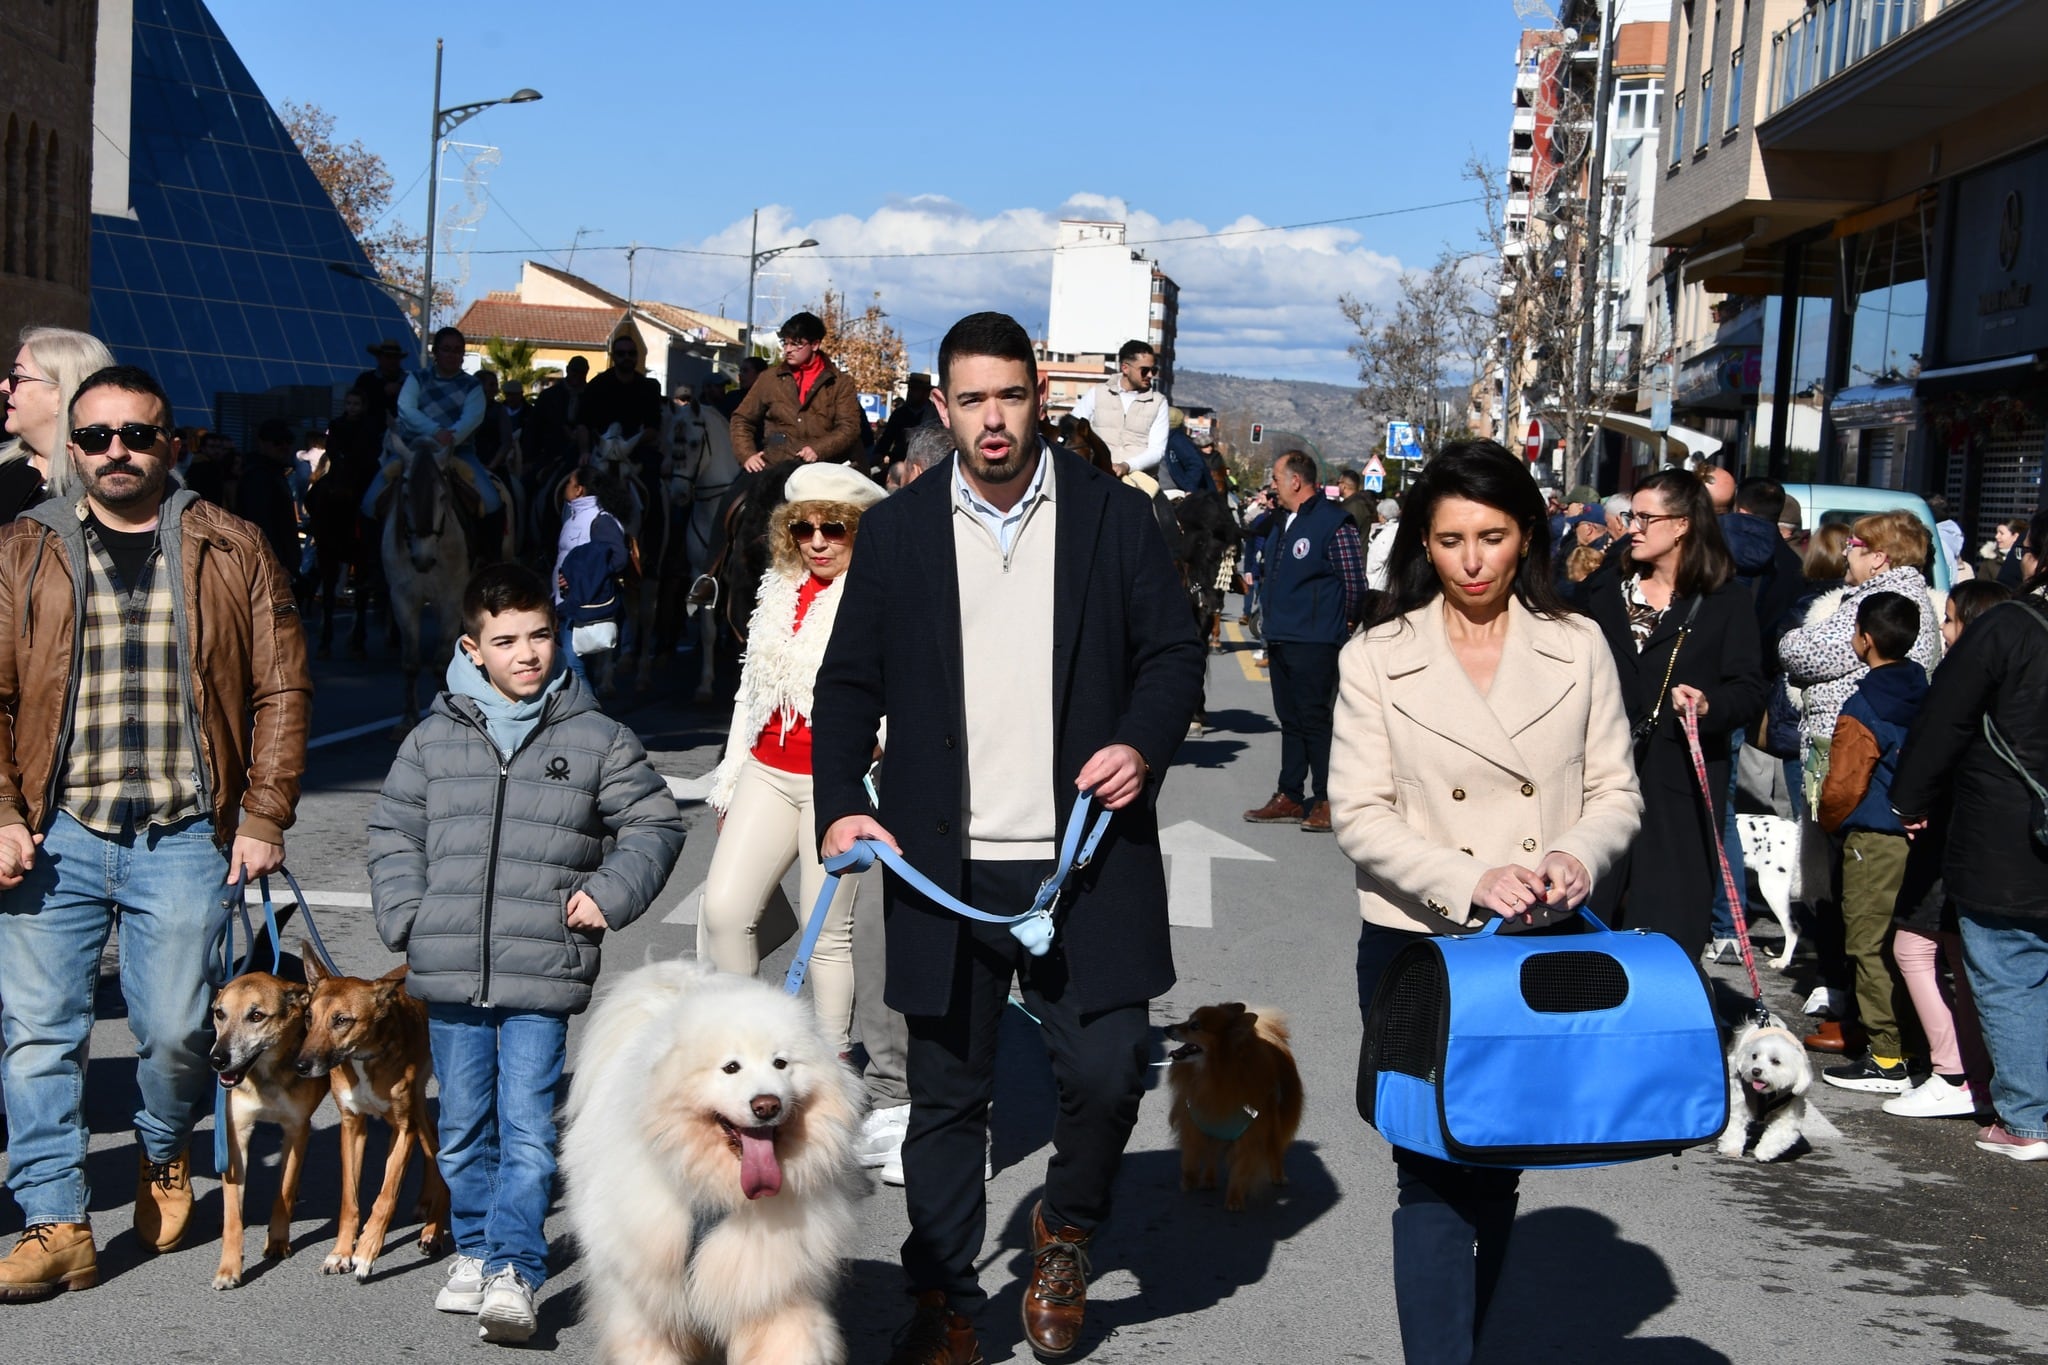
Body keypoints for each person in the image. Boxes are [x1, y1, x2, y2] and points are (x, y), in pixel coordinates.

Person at [810, 311, 1202, 1365]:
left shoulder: (1110, 518)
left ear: (1039, 398)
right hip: (941, 867)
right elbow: (846, 686)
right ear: (942, 407)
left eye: (1010, 396)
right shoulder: (893, 533)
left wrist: (1139, 743)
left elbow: (1172, 653)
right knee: (946, 1099)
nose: (992, 419)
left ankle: (1063, 1232)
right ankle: (943, 1296)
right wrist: (841, 798)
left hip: (1085, 856)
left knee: (1114, 1066)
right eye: (971, 399)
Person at [1328, 439, 1643, 1365]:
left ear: (1526, 537)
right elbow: (1358, 811)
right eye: (1452, 538)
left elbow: (1615, 791)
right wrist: (1468, 877)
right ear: (1424, 542)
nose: (1472, 561)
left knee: (1497, 1163)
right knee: (1429, 1166)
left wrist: (1577, 857)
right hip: (1419, 943)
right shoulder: (1377, 656)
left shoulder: (1578, 645)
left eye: (1493, 537)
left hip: (1535, 945)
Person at [0, 364, 311, 1299]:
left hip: (184, 834)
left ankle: (165, 1149)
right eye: (95, 437)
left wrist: (263, 813)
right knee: (35, 1034)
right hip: (55, 833)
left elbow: (281, 687)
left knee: (179, 1032)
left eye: (136, 435)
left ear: (170, 443)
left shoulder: (233, 544)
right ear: (72, 447)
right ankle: (56, 1220)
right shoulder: (22, 549)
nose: (116, 452)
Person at [367, 562, 685, 1341]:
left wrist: (610, 893)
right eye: (505, 640)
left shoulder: (595, 735)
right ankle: (475, 1246)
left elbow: (654, 823)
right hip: (448, 969)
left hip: (543, 968)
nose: (527, 653)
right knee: (466, 1122)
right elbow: (393, 832)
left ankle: (515, 1264)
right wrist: (409, 916)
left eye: (540, 635)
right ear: (473, 649)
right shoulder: (433, 737)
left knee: (528, 1123)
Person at [700, 462, 884, 1060]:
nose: (818, 542)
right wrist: (729, 782)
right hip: (765, 768)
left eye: (834, 527)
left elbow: (915, 689)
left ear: (858, 528)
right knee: (724, 912)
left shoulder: (882, 593)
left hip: (837, 781)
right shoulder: (777, 586)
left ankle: (828, 1066)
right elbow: (750, 693)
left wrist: (883, 741)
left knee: (826, 934)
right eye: (802, 529)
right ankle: (742, 1051)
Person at [1891, 508, 2048, 1160]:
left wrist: (1910, 797)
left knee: (2009, 966)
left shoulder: (2010, 626)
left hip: (2007, 827)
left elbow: (1946, 716)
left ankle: (2027, 1116)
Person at [1581, 468, 1767, 961]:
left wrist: (1709, 706)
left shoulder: (1725, 601)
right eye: (1630, 516)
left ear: (1682, 525)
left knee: (1664, 930)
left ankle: (1656, 1032)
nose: (1632, 527)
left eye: (1645, 517)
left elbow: (1750, 690)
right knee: (1587, 920)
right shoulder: (1604, 588)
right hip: (1594, 779)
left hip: (1676, 784)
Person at [1881, 577, 2010, 1122]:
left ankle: (1953, 1071)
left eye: (1952, 618)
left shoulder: (1967, 681)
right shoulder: (2014, 680)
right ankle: (1970, 1075)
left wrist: (1914, 803)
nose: (1943, 629)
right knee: (1958, 954)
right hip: (1974, 833)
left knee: (1918, 947)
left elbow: (1941, 749)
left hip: (1953, 831)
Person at [1814, 592, 1929, 1094]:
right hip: (1917, 835)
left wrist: (1829, 822)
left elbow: (1842, 785)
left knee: (1867, 944)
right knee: (1907, 947)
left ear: (1864, 638)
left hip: (1873, 835)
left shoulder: (1863, 704)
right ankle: (1910, 1044)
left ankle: (1885, 1057)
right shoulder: (1926, 690)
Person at [1242, 450, 1368, 833]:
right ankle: (1290, 795)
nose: (1273, 487)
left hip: (1315, 640)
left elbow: (1354, 583)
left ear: (1296, 480)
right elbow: (1251, 530)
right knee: (1291, 720)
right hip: (1281, 635)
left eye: (1277, 479)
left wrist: (1344, 622)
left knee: (1316, 721)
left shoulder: (1334, 522)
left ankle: (1328, 798)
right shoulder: (1282, 521)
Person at [361, 327, 503, 533]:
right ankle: (370, 560)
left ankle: (489, 559)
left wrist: (448, 439)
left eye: (457, 350)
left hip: (458, 452)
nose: (452, 354)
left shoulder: (472, 386)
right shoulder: (416, 378)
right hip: (412, 451)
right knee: (369, 502)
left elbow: (471, 418)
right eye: (446, 349)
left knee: (491, 501)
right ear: (435, 352)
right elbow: (406, 409)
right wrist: (436, 432)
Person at [1, 326, 115, 519]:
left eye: (16, 377)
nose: (3, 386)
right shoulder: (7, 471)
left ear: (62, 396)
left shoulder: (112, 496)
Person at [731, 312, 864, 472]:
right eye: (785, 343)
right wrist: (747, 455)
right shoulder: (769, 378)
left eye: (796, 344)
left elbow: (849, 427)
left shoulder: (840, 382)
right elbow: (742, 419)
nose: (788, 350)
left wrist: (819, 449)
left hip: (826, 469)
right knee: (734, 495)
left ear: (815, 345)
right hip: (775, 467)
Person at [552, 466, 631, 689]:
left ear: (579, 490)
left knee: (572, 663)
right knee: (580, 665)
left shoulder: (601, 520)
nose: (565, 487)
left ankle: (594, 718)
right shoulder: (572, 516)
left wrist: (580, 578)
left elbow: (618, 559)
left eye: (569, 483)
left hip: (583, 602)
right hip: (566, 601)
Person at [1067, 340, 1168, 476]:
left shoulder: (1159, 402)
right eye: (1144, 370)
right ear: (1125, 368)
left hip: (1139, 479)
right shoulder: (1097, 393)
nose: (1150, 375)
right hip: (1096, 474)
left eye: (1153, 370)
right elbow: (1073, 431)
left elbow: (1157, 450)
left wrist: (1127, 466)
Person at [578, 333, 663, 477]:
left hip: (634, 449)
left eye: (631, 353)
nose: (627, 357)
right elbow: (582, 424)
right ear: (613, 357)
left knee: (655, 484)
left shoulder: (648, 387)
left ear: (637, 356)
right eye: (621, 353)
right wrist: (584, 451)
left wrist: (630, 444)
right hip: (598, 449)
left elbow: (653, 428)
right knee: (561, 476)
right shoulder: (597, 385)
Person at [874, 373, 939, 469]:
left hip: (926, 466)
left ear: (926, 393)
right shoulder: (899, 413)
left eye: (915, 390)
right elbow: (887, 438)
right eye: (910, 389)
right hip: (899, 465)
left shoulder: (936, 415)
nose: (910, 393)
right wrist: (879, 454)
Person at [532, 356, 589, 466]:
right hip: (550, 452)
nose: (577, 375)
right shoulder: (549, 395)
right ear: (567, 370)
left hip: (580, 454)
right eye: (574, 371)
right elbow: (535, 426)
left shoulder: (590, 396)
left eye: (582, 372)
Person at [351, 338, 409, 442]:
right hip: (368, 438)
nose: (392, 361)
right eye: (388, 357)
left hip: (402, 438)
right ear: (379, 358)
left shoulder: (410, 383)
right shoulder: (365, 380)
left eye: (395, 357)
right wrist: (382, 393)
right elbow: (356, 407)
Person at [1366, 496, 1402, 591]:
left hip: (1378, 582)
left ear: (1383, 515)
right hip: (1381, 580)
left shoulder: (1388, 532)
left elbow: (1381, 555)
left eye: (1379, 514)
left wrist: (1369, 568)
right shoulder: (1394, 529)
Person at [1993, 518, 2029, 588]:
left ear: (2015, 536)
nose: (1996, 536)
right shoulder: (1990, 558)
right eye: (1997, 532)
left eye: (2001, 533)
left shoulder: (2024, 558)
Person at [1337, 467, 1375, 533]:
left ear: (1343, 486)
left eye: (1338, 483)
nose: (1337, 486)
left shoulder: (1353, 507)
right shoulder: (1360, 502)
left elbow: (1347, 533)